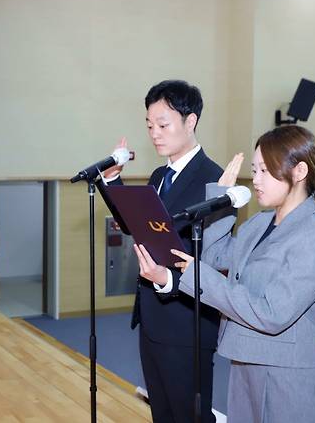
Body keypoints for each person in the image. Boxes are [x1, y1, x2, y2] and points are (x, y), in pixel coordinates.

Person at [158, 125, 315, 422]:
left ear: (299, 171)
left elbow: (271, 313)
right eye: (254, 171)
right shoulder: (259, 223)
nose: (255, 180)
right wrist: (219, 197)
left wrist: (198, 278)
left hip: (287, 374)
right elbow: (214, 256)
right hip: (246, 359)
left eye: (265, 171)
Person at [102, 80, 223, 423]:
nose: (154, 133)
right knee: (163, 414)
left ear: (191, 121)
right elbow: (138, 225)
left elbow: (212, 259)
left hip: (187, 322)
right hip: (153, 316)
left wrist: (169, 278)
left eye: (163, 124)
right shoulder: (158, 176)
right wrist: (113, 183)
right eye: (149, 125)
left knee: (190, 416)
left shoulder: (214, 179)